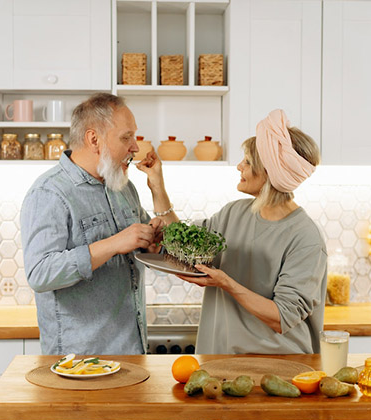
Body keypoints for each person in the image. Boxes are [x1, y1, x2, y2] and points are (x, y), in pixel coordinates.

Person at [138, 109, 327, 355]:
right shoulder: (235, 213)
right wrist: (157, 185)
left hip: (278, 369)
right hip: (220, 359)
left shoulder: (306, 239)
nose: (239, 166)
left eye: (247, 162)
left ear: (270, 173)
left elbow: (281, 317)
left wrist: (226, 283)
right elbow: (184, 245)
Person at [20, 93, 164, 355]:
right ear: (93, 139)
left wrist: (150, 244)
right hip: (79, 363)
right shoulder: (49, 193)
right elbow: (40, 274)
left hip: (132, 353)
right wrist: (113, 244)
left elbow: (143, 246)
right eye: (126, 137)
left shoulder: (123, 187)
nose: (135, 147)